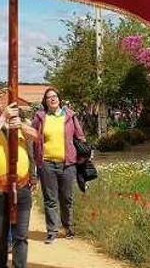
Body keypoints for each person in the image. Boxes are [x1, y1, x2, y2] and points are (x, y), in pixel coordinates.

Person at [0, 94, 37, 268]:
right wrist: (3, 117)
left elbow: (36, 136)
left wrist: (21, 126)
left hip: (22, 186)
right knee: (1, 234)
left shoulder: (15, 123)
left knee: (21, 235)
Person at [31, 87, 85, 244]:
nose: (52, 99)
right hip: (47, 163)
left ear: (59, 99)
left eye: (54, 96)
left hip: (68, 164)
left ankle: (68, 227)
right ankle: (52, 231)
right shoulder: (40, 117)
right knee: (50, 199)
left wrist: (84, 154)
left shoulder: (69, 115)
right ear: (45, 101)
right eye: (49, 97)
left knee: (67, 198)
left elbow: (80, 137)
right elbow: (33, 135)